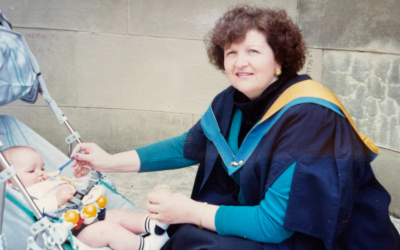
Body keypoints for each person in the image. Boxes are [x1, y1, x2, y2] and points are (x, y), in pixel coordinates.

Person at [70, 5, 400, 250]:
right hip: (268, 223)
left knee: (198, 240)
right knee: (187, 234)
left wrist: (192, 210)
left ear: (279, 60)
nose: (240, 62)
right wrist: (109, 160)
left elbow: (274, 225)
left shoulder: (311, 116)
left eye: (253, 51)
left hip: (325, 237)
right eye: (231, 52)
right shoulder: (231, 102)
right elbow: (186, 147)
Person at [3, 146, 169, 250]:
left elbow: (76, 191)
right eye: (32, 171)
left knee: (118, 214)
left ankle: (155, 224)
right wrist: (56, 201)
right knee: (107, 230)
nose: (41, 173)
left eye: (42, 167)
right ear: (11, 181)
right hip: (74, 232)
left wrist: (79, 178)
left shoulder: (51, 180)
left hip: (88, 214)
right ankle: (145, 247)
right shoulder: (26, 194)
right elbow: (38, 211)